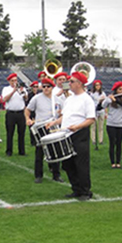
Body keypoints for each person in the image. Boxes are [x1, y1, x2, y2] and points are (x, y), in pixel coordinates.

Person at [46, 72, 95, 201]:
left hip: (79, 134)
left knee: (81, 164)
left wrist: (77, 127)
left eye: (72, 81)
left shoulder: (86, 99)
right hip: (66, 134)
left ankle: (85, 191)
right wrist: (55, 122)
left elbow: (91, 119)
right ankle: (76, 189)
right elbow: (66, 116)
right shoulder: (68, 99)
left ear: (79, 83)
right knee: (68, 163)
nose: (69, 83)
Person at [25, 77, 64, 183]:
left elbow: (63, 114)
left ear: (52, 87)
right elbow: (27, 110)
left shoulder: (58, 100)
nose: (46, 88)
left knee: (55, 152)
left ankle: (56, 174)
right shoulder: (36, 98)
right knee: (39, 153)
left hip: (53, 127)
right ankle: (38, 175)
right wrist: (28, 119)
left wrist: (59, 116)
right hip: (40, 127)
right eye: (44, 86)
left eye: (48, 86)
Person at [103, 81, 122, 169]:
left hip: (121, 124)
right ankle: (112, 162)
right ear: (116, 90)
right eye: (120, 89)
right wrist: (107, 99)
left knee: (119, 143)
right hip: (111, 123)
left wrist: (115, 100)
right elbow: (102, 106)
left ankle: (118, 162)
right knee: (112, 143)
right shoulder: (110, 98)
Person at [2, 73, 28, 156]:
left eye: (15, 80)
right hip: (11, 113)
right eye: (12, 81)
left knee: (21, 133)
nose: (14, 82)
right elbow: (5, 99)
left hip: (21, 113)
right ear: (9, 81)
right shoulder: (6, 89)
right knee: (10, 133)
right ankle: (9, 151)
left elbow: (26, 98)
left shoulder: (21, 88)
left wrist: (22, 91)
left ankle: (22, 151)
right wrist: (14, 91)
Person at [89, 79, 106, 146]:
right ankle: (93, 140)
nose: (98, 86)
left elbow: (105, 104)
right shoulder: (91, 93)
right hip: (94, 110)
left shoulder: (103, 93)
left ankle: (100, 140)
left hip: (101, 110)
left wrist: (106, 112)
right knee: (93, 126)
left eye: (99, 85)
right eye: (96, 85)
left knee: (100, 126)